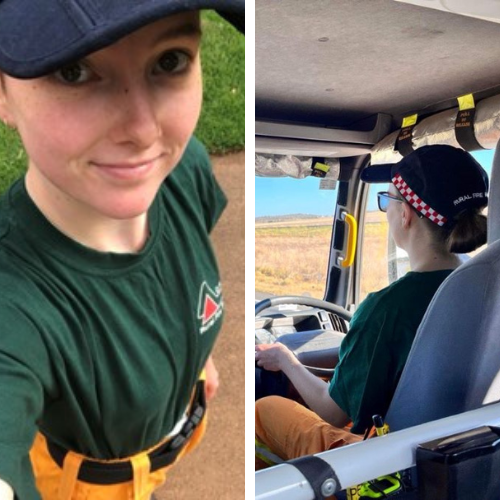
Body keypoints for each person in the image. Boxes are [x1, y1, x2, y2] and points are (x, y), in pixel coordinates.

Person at [0, 1, 244, 499]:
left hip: (165, 446)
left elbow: (187, 260)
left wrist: (193, 355)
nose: (143, 131)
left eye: (169, 60)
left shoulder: (182, 170)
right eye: (74, 71)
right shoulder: (12, 300)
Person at [255, 145, 488, 469]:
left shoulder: (387, 308)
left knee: (264, 409)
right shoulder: (485, 288)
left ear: (405, 214)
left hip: (388, 463)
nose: (387, 210)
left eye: (386, 200)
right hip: (464, 447)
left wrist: (286, 359)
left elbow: (334, 414)